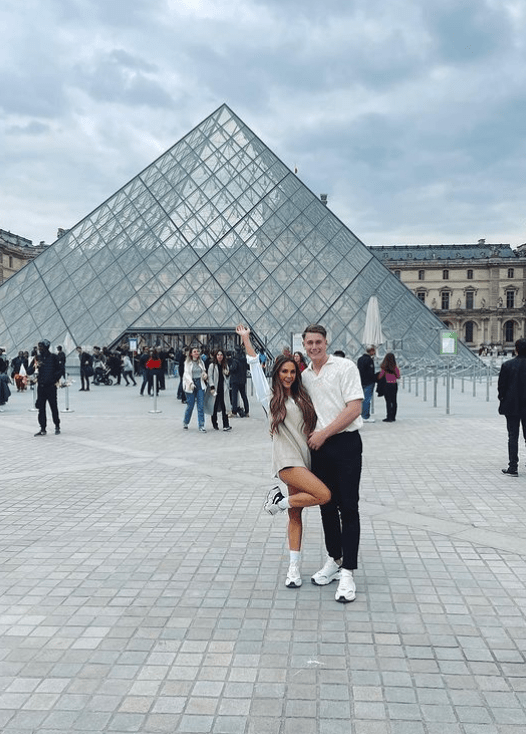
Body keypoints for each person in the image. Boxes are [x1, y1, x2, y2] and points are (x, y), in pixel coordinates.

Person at [237, 324, 331, 589]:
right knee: (324, 496)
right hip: (286, 462)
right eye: (284, 372)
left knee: (295, 514)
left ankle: (293, 569)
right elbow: (254, 366)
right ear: (277, 374)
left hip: (306, 459)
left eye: (292, 371)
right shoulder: (269, 398)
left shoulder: (304, 397)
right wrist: (246, 339)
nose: (288, 376)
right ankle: (277, 502)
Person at [301, 324, 364, 603]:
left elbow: (355, 408)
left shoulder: (345, 367)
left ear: (326, 342)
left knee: (349, 507)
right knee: (326, 504)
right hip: (319, 448)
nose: (314, 347)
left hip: (345, 443)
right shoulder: (304, 376)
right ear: (304, 345)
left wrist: (324, 433)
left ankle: (348, 572)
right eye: (309, 343)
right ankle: (335, 559)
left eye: (318, 342)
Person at [498, 338, 526, 476]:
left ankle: (513, 467)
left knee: (513, 437)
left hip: (512, 406)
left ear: (516, 349)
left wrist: (503, 399)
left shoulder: (507, 365)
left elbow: (501, 388)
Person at [26, 340, 63, 436]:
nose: (39, 349)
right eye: (39, 347)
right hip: (41, 387)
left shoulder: (54, 357)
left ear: (46, 347)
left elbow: (60, 370)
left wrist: (54, 378)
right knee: (41, 408)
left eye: (41, 347)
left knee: (53, 407)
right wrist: (34, 367)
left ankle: (57, 425)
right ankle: (42, 428)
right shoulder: (37, 358)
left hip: (51, 387)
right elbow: (29, 371)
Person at [183, 347, 208, 432]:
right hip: (191, 384)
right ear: (191, 354)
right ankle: (186, 422)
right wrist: (190, 383)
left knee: (200, 406)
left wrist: (204, 375)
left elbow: (203, 370)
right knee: (190, 405)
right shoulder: (187, 363)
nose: (197, 353)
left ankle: (201, 425)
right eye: (194, 351)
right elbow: (186, 374)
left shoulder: (201, 362)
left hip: (200, 384)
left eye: (197, 351)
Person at [208, 350, 232, 431]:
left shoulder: (225, 365)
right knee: (214, 406)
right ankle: (214, 422)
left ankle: (226, 424)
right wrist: (211, 386)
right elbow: (210, 376)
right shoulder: (212, 366)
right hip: (215, 388)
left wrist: (227, 374)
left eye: (221, 355)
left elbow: (227, 377)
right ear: (215, 356)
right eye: (218, 355)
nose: (220, 356)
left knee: (224, 406)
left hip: (223, 388)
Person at [378, 352, 401, 423]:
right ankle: (393, 416)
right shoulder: (395, 367)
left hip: (387, 385)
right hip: (394, 385)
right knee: (394, 401)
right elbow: (398, 376)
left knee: (388, 401)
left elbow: (380, 376)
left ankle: (389, 416)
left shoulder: (384, 367)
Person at [357, 345, 376, 423]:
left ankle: (360, 415)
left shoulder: (360, 359)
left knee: (361, 399)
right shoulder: (369, 360)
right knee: (367, 399)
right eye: (373, 351)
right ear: (370, 351)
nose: (374, 353)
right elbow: (370, 372)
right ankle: (365, 416)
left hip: (361, 381)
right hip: (368, 382)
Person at [230, 345, 249, 417]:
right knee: (244, 395)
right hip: (242, 380)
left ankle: (234, 411)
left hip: (235, 380)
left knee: (234, 396)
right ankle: (247, 411)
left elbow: (233, 369)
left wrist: (230, 369)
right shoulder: (244, 359)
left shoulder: (235, 360)